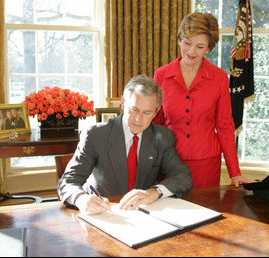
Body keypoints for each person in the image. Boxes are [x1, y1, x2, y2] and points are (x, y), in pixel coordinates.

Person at [58, 74, 193, 215]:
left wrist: (154, 192)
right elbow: (68, 181)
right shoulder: (96, 135)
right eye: (134, 109)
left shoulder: (162, 137)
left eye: (146, 112)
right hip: (103, 213)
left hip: (142, 215)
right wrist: (81, 199)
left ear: (156, 112)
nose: (138, 119)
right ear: (122, 103)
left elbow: (182, 176)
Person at [152, 12, 252, 189]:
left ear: (208, 48)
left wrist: (234, 171)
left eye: (199, 46)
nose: (191, 51)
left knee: (206, 213)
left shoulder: (219, 78)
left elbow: (225, 126)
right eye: (187, 43)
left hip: (206, 165)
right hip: (169, 163)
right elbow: (156, 126)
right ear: (179, 39)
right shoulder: (161, 75)